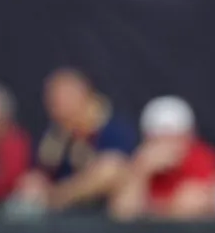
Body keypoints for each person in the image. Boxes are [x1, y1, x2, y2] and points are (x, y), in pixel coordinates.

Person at [13, 68, 137, 213]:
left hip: (104, 203)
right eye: (53, 99)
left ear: (84, 95)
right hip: (61, 206)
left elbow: (115, 170)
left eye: (65, 97)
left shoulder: (112, 127)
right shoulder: (53, 136)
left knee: (110, 168)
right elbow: (41, 170)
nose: (58, 105)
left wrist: (59, 195)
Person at [110, 96, 215, 221]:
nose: (168, 146)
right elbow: (123, 212)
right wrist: (142, 172)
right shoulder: (140, 161)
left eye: (175, 138)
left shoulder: (200, 157)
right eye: (160, 138)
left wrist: (158, 208)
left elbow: (193, 204)